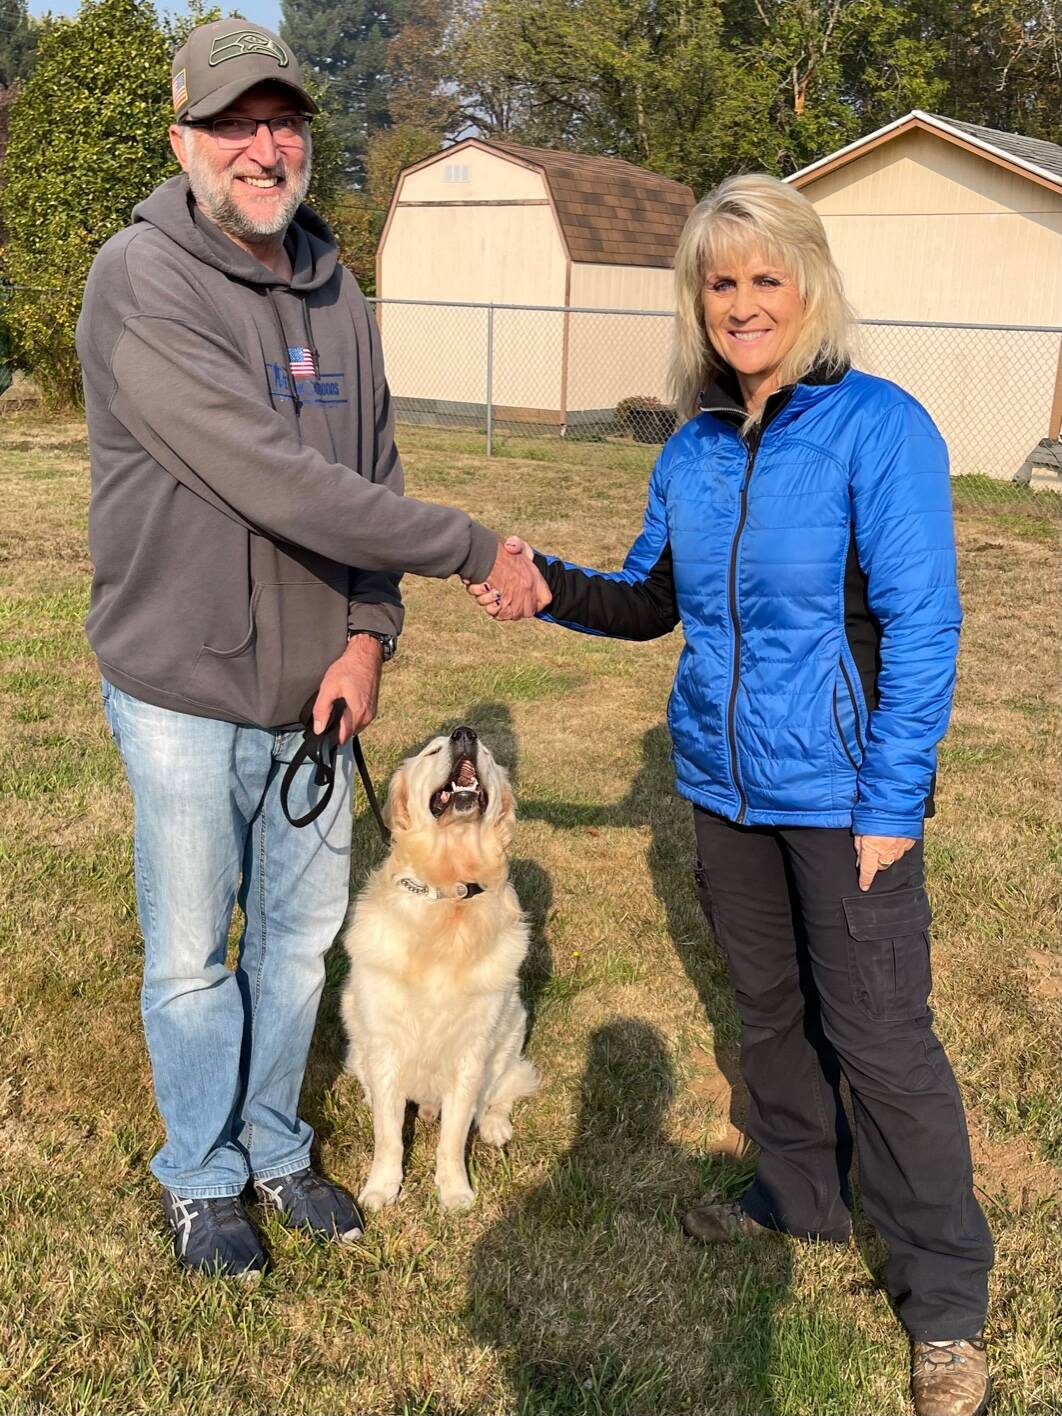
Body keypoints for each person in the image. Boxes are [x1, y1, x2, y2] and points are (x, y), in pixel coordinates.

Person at [468, 174, 993, 1416]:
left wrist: (891, 800)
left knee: (879, 1037)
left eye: (767, 278)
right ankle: (800, 1199)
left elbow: (923, 623)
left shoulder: (881, 427)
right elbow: (654, 599)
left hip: (844, 791)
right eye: (722, 283)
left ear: (809, 286)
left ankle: (946, 1302)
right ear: (696, 303)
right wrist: (547, 583)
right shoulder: (697, 445)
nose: (745, 305)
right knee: (768, 1014)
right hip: (722, 785)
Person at [75, 18, 542, 1280]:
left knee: (291, 946)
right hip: (181, 689)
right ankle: (199, 1175)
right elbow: (278, 482)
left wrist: (370, 637)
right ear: (184, 140)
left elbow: (368, 475)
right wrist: (469, 546)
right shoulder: (141, 279)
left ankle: (277, 1147)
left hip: (315, 697)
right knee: (191, 957)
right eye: (234, 123)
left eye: (282, 121)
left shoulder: (341, 289)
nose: (263, 146)